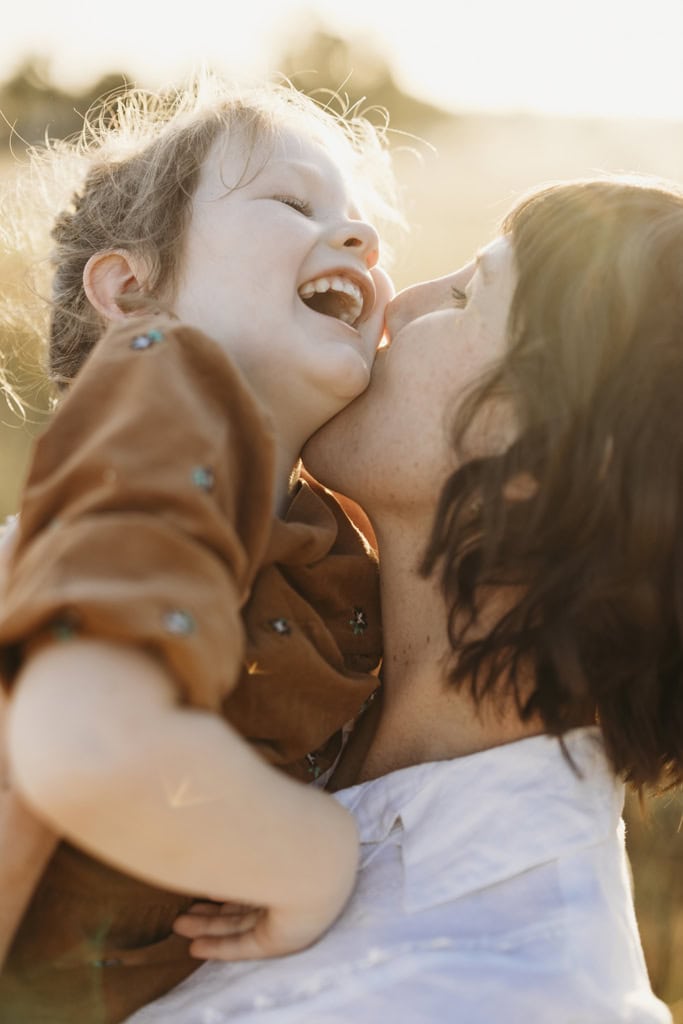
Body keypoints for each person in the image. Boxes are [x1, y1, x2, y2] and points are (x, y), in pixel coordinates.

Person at [125, 176, 681, 1023]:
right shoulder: (238, 684)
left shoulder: (518, 998)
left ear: (551, 456)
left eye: (465, 295)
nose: (396, 305)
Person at [0, 75, 398, 1023]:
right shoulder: (166, 384)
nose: (360, 241)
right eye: (293, 204)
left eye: (363, 224)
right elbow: (88, 748)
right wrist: (314, 858)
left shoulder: (328, 536)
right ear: (132, 290)